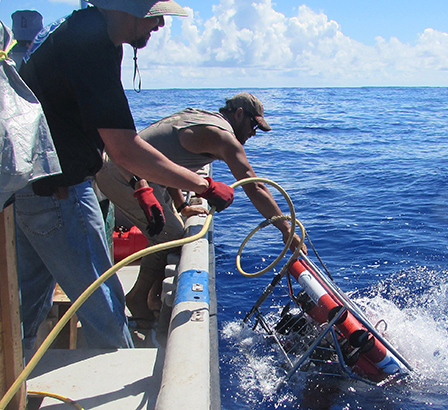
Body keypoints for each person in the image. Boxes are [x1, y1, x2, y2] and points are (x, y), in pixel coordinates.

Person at [15, 0, 234, 349]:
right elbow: (124, 149)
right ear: (126, 7)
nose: (160, 24)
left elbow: (92, 132)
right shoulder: (93, 45)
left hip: (26, 188)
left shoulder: (77, 29)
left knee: (23, 311)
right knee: (105, 311)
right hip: (58, 193)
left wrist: (139, 185)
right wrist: (203, 185)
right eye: (154, 13)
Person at [96, 93, 305, 325]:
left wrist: (182, 205)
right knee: (171, 235)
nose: (254, 132)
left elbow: (169, 164)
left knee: (172, 228)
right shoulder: (223, 138)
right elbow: (254, 187)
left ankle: (152, 298)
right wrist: (286, 230)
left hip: (130, 171)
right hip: (123, 175)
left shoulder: (199, 118)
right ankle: (137, 298)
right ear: (238, 114)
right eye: (253, 124)